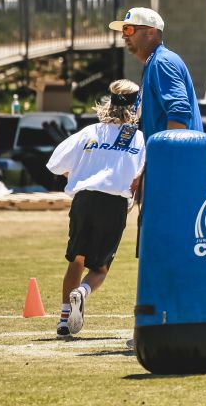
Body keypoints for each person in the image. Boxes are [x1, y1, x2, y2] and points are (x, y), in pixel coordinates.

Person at [45, 80, 145, 337]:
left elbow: (55, 163)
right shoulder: (138, 137)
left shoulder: (89, 132)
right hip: (113, 203)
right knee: (99, 268)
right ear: (135, 106)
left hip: (84, 200)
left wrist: (78, 172)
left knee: (76, 260)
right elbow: (140, 174)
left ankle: (64, 319)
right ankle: (83, 292)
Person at [108, 7, 202, 138]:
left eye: (129, 29)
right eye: (123, 31)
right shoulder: (155, 62)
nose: (124, 36)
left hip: (177, 157)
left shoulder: (161, 62)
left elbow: (179, 112)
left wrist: (167, 154)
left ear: (151, 32)